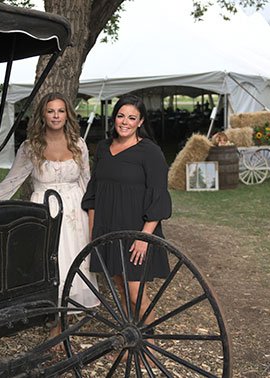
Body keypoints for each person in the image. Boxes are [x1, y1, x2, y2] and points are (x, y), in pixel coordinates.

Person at [0, 92, 100, 338]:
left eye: (60, 111)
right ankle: (54, 322)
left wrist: (93, 216)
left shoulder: (78, 144)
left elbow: (87, 182)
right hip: (45, 211)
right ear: (43, 114)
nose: (56, 116)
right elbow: (13, 181)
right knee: (51, 266)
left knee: (74, 263)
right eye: (51, 111)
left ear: (67, 115)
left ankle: (63, 322)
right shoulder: (31, 147)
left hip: (74, 212)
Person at [81, 94, 172, 351]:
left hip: (136, 232)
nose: (125, 122)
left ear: (140, 121)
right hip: (108, 229)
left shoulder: (150, 152)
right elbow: (94, 194)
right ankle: (132, 337)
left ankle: (150, 344)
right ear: (115, 117)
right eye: (121, 115)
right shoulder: (102, 148)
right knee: (120, 289)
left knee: (136, 293)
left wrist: (144, 238)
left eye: (132, 118)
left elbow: (158, 197)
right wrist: (94, 233)